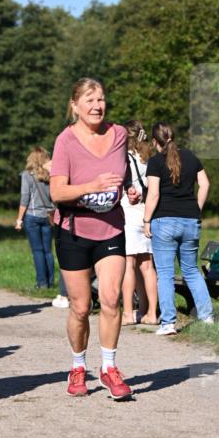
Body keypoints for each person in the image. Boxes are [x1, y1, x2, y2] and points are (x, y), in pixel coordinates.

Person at [50, 77, 132, 400]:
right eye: (89, 100)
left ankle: (109, 368)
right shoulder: (65, 141)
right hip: (74, 230)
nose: (97, 105)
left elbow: (119, 175)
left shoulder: (120, 135)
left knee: (111, 298)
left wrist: (129, 190)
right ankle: (78, 366)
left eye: (100, 99)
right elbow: (57, 191)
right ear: (75, 106)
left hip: (111, 228)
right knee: (81, 307)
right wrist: (90, 187)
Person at [143, 123, 213, 335]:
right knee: (191, 271)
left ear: (155, 142)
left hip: (164, 221)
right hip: (190, 221)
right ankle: (207, 316)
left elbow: (153, 194)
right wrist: (196, 208)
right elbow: (205, 184)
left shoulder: (155, 162)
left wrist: (146, 220)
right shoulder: (191, 157)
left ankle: (168, 323)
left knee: (164, 273)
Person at [121, 121, 158, 325]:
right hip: (147, 213)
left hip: (128, 211)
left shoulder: (124, 157)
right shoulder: (149, 157)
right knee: (147, 265)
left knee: (128, 264)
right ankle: (150, 312)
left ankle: (128, 312)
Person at [15, 147, 57, 289]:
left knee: (37, 251)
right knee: (48, 251)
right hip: (48, 216)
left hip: (32, 216)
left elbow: (24, 198)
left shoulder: (27, 175)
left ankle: (42, 283)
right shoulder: (50, 176)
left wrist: (19, 219)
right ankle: (50, 282)